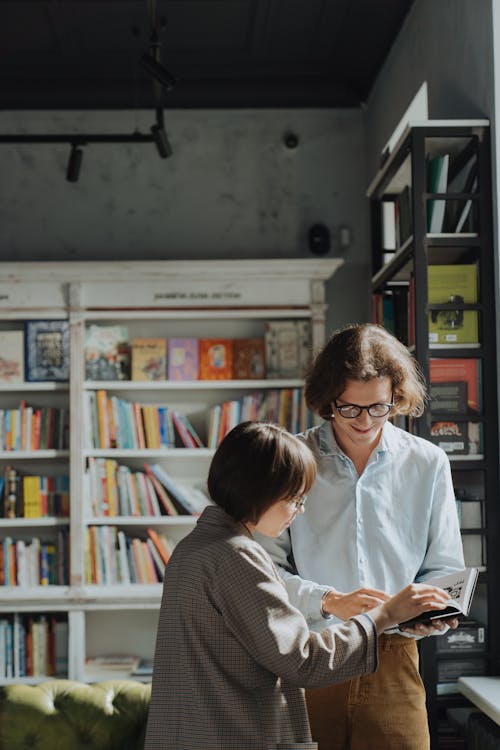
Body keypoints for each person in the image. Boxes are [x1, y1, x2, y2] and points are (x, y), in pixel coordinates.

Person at [144, 420, 451, 750]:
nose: (299, 511)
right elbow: (305, 661)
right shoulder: (238, 556)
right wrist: (384, 615)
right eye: (294, 499)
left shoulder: (192, 548)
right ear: (259, 490)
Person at [257, 323, 465, 750]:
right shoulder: (293, 461)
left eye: (379, 408)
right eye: (349, 409)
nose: (364, 422)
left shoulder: (428, 462)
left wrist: (430, 612)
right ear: (328, 400)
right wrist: (329, 600)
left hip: (394, 656)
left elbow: (444, 567)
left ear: (396, 398)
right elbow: (263, 571)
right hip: (312, 653)